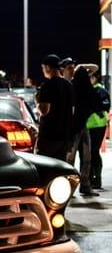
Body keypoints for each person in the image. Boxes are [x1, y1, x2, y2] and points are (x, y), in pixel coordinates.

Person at [66, 67, 100, 196]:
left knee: (74, 158)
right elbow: (95, 104)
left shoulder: (73, 85)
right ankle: (82, 185)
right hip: (77, 126)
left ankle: (73, 186)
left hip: (77, 126)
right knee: (84, 157)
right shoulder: (83, 87)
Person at [34, 55, 75, 162]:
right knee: (60, 169)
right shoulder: (68, 85)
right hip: (64, 136)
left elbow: (44, 110)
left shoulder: (47, 86)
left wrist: (37, 102)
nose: (43, 71)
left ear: (47, 67)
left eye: (43, 68)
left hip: (49, 136)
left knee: (45, 168)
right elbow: (72, 111)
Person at [86, 73, 110, 190]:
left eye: (90, 77)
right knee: (91, 152)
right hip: (90, 125)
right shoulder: (91, 90)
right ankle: (92, 179)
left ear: (94, 78)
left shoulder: (100, 90)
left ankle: (97, 179)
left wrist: (93, 108)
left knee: (94, 151)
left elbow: (105, 106)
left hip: (97, 124)